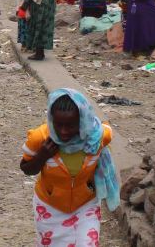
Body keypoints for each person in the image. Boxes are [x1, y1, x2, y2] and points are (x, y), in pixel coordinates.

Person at [20, 89, 119, 246]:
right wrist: (42, 156)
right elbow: (26, 169)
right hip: (50, 206)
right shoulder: (40, 138)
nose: (63, 132)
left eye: (71, 126)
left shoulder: (97, 137)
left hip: (85, 203)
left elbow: (107, 131)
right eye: (58, 125)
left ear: (83, 121)